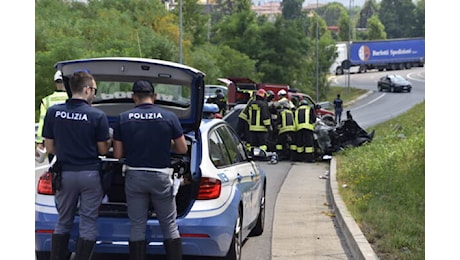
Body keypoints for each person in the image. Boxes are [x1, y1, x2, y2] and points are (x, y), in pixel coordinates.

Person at [112, 80, 187, 260]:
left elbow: (118, 154)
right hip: (161, 176)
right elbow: (182, 149)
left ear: (133, 98)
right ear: (155, 97)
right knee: (169, 224)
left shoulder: (123, 118)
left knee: (137, 225)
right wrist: (166, 145)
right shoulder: (169, 117)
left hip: (134, 176)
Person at [42, 71, 111, 260]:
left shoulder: (53, 112)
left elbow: (49, 147)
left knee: (63, 221)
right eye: (95, 90)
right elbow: (103, 150)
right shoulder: (97, 115)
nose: (95, 95)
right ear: (87, 90)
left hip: (65, 174)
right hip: (90, 175)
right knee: (88, 223)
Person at [35, 71, 69, 163]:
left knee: (54, 170)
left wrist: (39, 142)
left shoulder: (46, 100)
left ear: (55, 83)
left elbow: (42, 122)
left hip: (52, 141)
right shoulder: (73, 98)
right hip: (70, 139)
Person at [238, 88, 272, 153]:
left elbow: (245, 115)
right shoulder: (263, 104)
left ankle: (252, 154)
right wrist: (268, 126)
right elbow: (265, 116)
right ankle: (261, 155)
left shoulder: (251, 104)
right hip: (262, 129)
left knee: (253, 144)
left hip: (252, 129)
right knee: (262, 144)